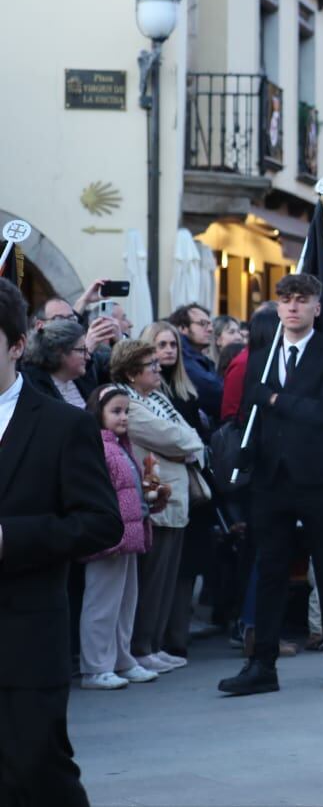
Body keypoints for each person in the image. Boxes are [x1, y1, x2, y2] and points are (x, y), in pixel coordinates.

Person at [0, 279, 122, 807]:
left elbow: (101, 523)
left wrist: (12, 538)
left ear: (16, 345)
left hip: (24, 638)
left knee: (37, 775)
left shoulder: (62, 425)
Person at [217, 273, 323, 696]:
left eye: (301, 299)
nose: (292, 306)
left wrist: (275, 399)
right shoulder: (261, 355)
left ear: (317, 307)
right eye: (286, 300)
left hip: (317, 477)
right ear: (277, 307)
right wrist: (248, 449)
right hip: (272, 478)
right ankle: (262, 664)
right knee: (271, 568)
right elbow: (251, 416)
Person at [109, 339, 206, 675]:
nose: (158, 368)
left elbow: (185, 435)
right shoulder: (129, 404)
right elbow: (176, 438)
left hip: (174, 498)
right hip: (154, 498)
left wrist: (187, 441)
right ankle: (141, 646)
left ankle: (154, 644)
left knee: (166, 579)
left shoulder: (158, 398)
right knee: (151, 579)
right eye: (150, 364)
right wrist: (188, 443)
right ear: (133, 372)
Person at [78, 385, 168, 690]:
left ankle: (121, 658)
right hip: (109, 538)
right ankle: (95, 667)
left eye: (126, 411)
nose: (123, 417)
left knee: (125, 602)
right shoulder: (99, 448)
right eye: (116, 411)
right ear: (98, 413)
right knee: (102, 604)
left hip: (127, 535)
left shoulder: (119, 446)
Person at [168, 303, 223, 423]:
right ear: (182, 328)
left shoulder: (197, 357)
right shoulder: (181, 357)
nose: (210, 329)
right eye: (202, 324)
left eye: (210, 324)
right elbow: (215, 393)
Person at [22, 320, 94, 408]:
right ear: (60, 352)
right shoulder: (35, 387)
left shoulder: (83, 379)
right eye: (81, 350)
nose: (88, 357)